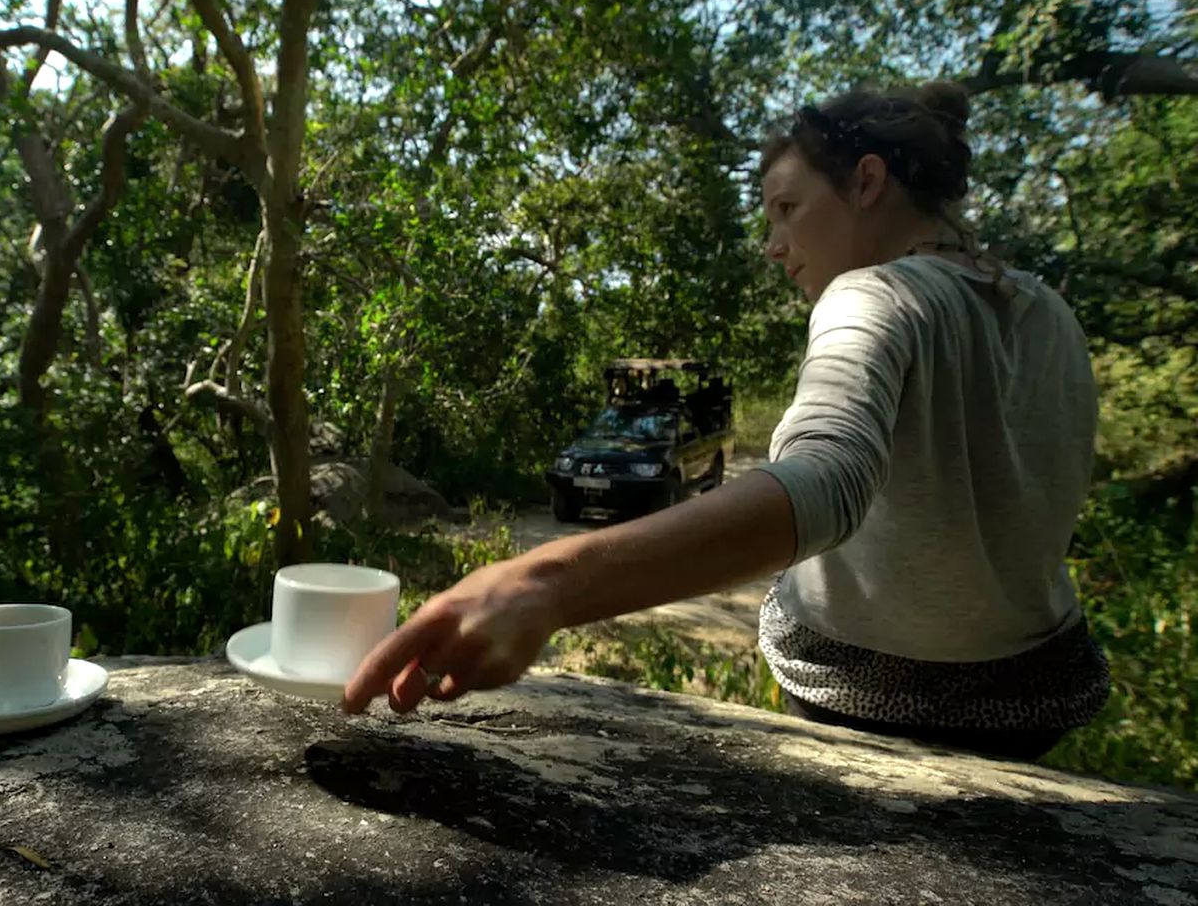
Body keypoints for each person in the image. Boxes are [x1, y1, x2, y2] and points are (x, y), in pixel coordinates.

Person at [341, 81, 1111, 761]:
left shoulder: (872, 295)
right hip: (1031, 693)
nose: (774, 247)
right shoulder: (1048, 311)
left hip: (869, 697)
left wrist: (544, 582)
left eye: (786, 208)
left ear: (867, 181)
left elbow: (826, 482)